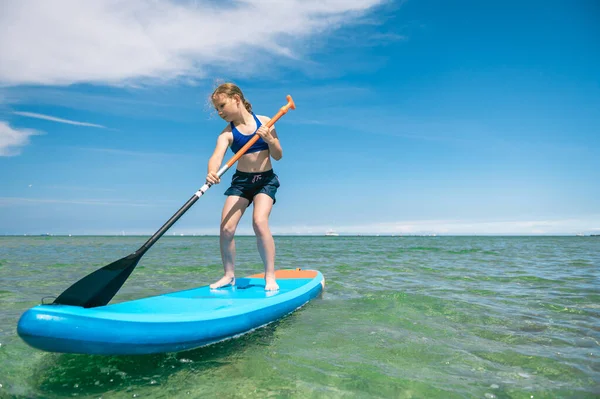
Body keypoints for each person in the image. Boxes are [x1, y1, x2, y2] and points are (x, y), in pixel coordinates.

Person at [206, 83, 282, 291]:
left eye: (222, 106)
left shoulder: (265, 122)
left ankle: (270, 276)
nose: (220, 112)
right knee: (227, 228)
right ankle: (229, 275)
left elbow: (278, 155)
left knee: (259, 222)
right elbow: (216, 157)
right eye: (217, 109)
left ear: (236, 99)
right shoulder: (227, 134)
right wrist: (212, 172)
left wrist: (270, 140)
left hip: (265, 181)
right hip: (241, 182)